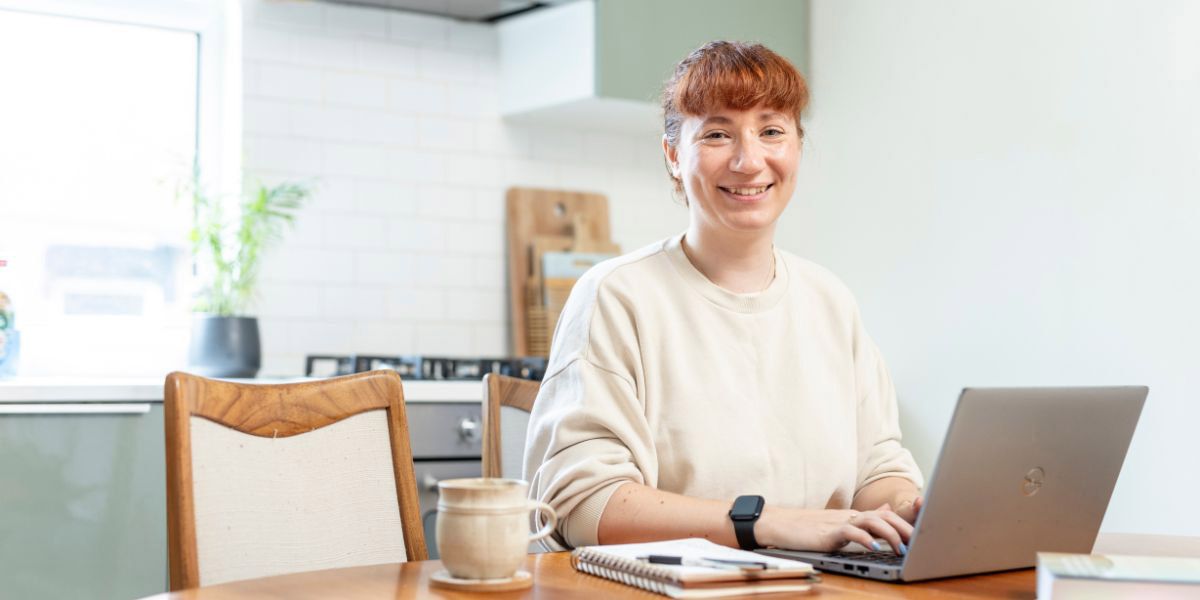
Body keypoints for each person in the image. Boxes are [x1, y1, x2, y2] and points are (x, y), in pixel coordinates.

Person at [523, 41, 924, 556]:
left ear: (797, 146)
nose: (748, 159)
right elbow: (584, 505)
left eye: (772, 131)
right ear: (673, 156)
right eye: (717, 134)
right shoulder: (617, 295)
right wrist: (771, 523)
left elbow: (878, 469)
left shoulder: (830, 300)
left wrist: (912, 507)